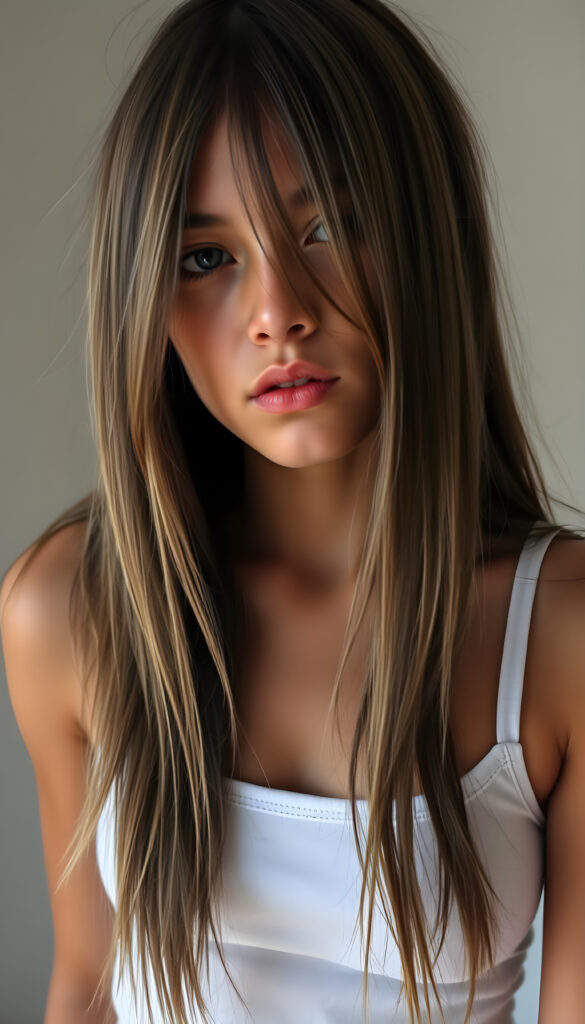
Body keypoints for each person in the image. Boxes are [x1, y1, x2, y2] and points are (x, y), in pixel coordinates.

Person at [1, 0, 584, 1021]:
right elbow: (88, 986)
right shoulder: (70, 607)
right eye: (207, 258)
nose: (278, 311)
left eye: (328, 225)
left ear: (427, 235)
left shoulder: (559, 634)